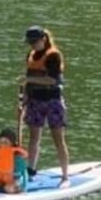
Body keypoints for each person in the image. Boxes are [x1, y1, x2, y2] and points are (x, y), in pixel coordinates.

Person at [20, 26, 70, 183]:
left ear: (44, 39)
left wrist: (29, 80)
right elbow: (28, 79)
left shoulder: (53, 55)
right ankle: (31, 171)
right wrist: (23, 101)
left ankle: (65, 176)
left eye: (35, 42)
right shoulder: (31, 54)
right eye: (30, 43)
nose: (32, 46)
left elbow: (52, 80)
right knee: (34, 138)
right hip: (35, 100)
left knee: (58, 139)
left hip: (52, 101)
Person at [0, 127, 30, 194]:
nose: (3, 145)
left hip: (13, 180)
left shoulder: (17, 157)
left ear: (11, 143)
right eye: (1, 142)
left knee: (8, 189)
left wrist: (23, 187)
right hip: (0, 179)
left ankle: (11, 189)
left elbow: (24, 173)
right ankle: (1, 187)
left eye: (6, 142)